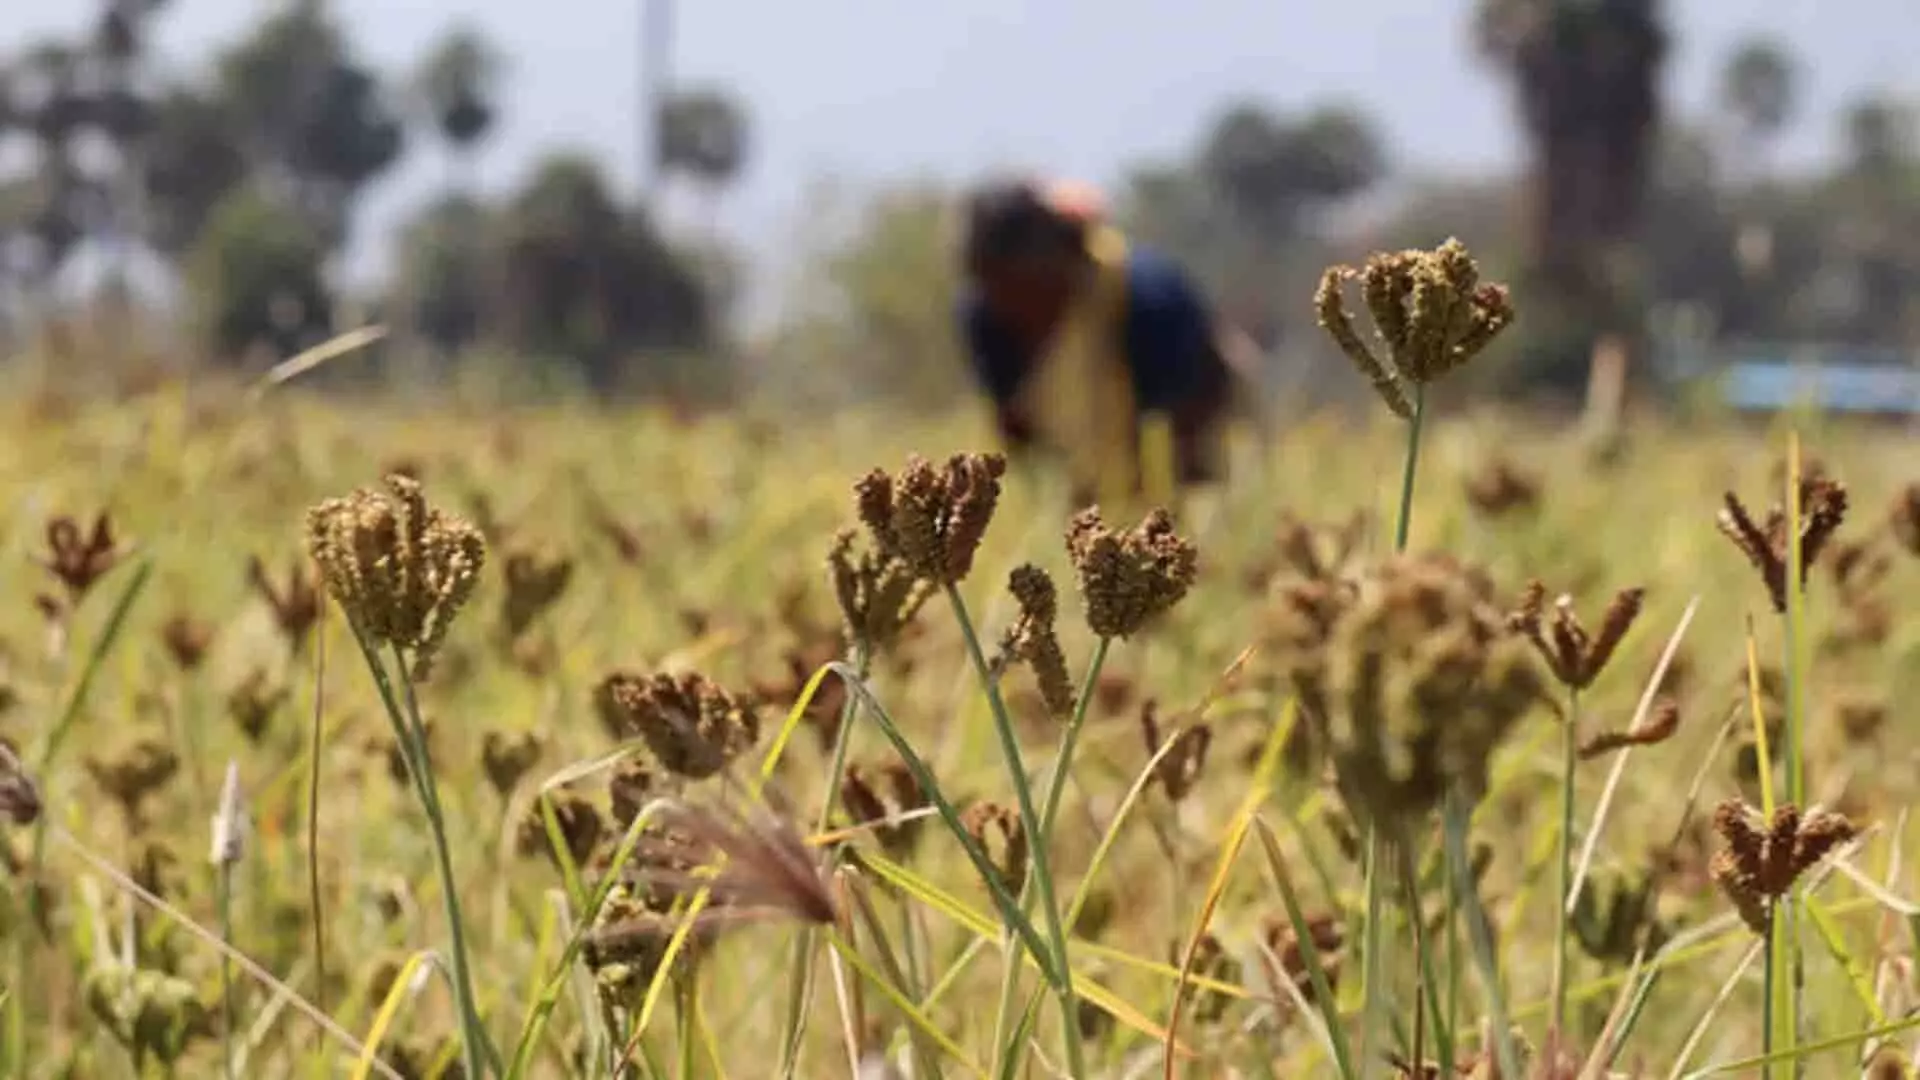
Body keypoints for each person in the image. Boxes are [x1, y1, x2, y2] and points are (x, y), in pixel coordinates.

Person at [955, 176, 1262, 511]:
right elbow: (1018, 434)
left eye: (1021, 286)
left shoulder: (1149, 299)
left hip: (1201, 429)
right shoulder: (986, 319)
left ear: (1059, 261)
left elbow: (1184, 426)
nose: (1010, 304)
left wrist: (1155, 513)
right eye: (996, 289)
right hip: (1095, 468)